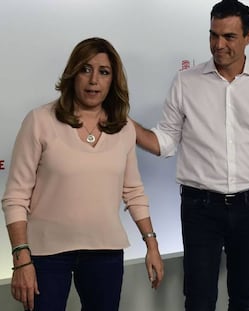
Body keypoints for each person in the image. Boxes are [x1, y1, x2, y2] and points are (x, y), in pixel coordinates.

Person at [133, 1, 249, 310]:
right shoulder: (185, 82)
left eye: (229, 37)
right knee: (198, 299)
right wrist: (126, 126)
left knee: (245, 298)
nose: (219, 45)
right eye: (213, 35)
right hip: (200, 208)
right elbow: (166, 141)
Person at [1, 37, 164, 311]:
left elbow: (133, 191)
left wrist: (152, 245)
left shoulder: (122, 127)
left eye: (104, 72)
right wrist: (21, 257)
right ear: (72, 74)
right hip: (46, 255)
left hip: (105, 253)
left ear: (113, 80)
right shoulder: (40, 121)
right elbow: (15, 197)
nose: (93, 81)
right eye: (85, 69)